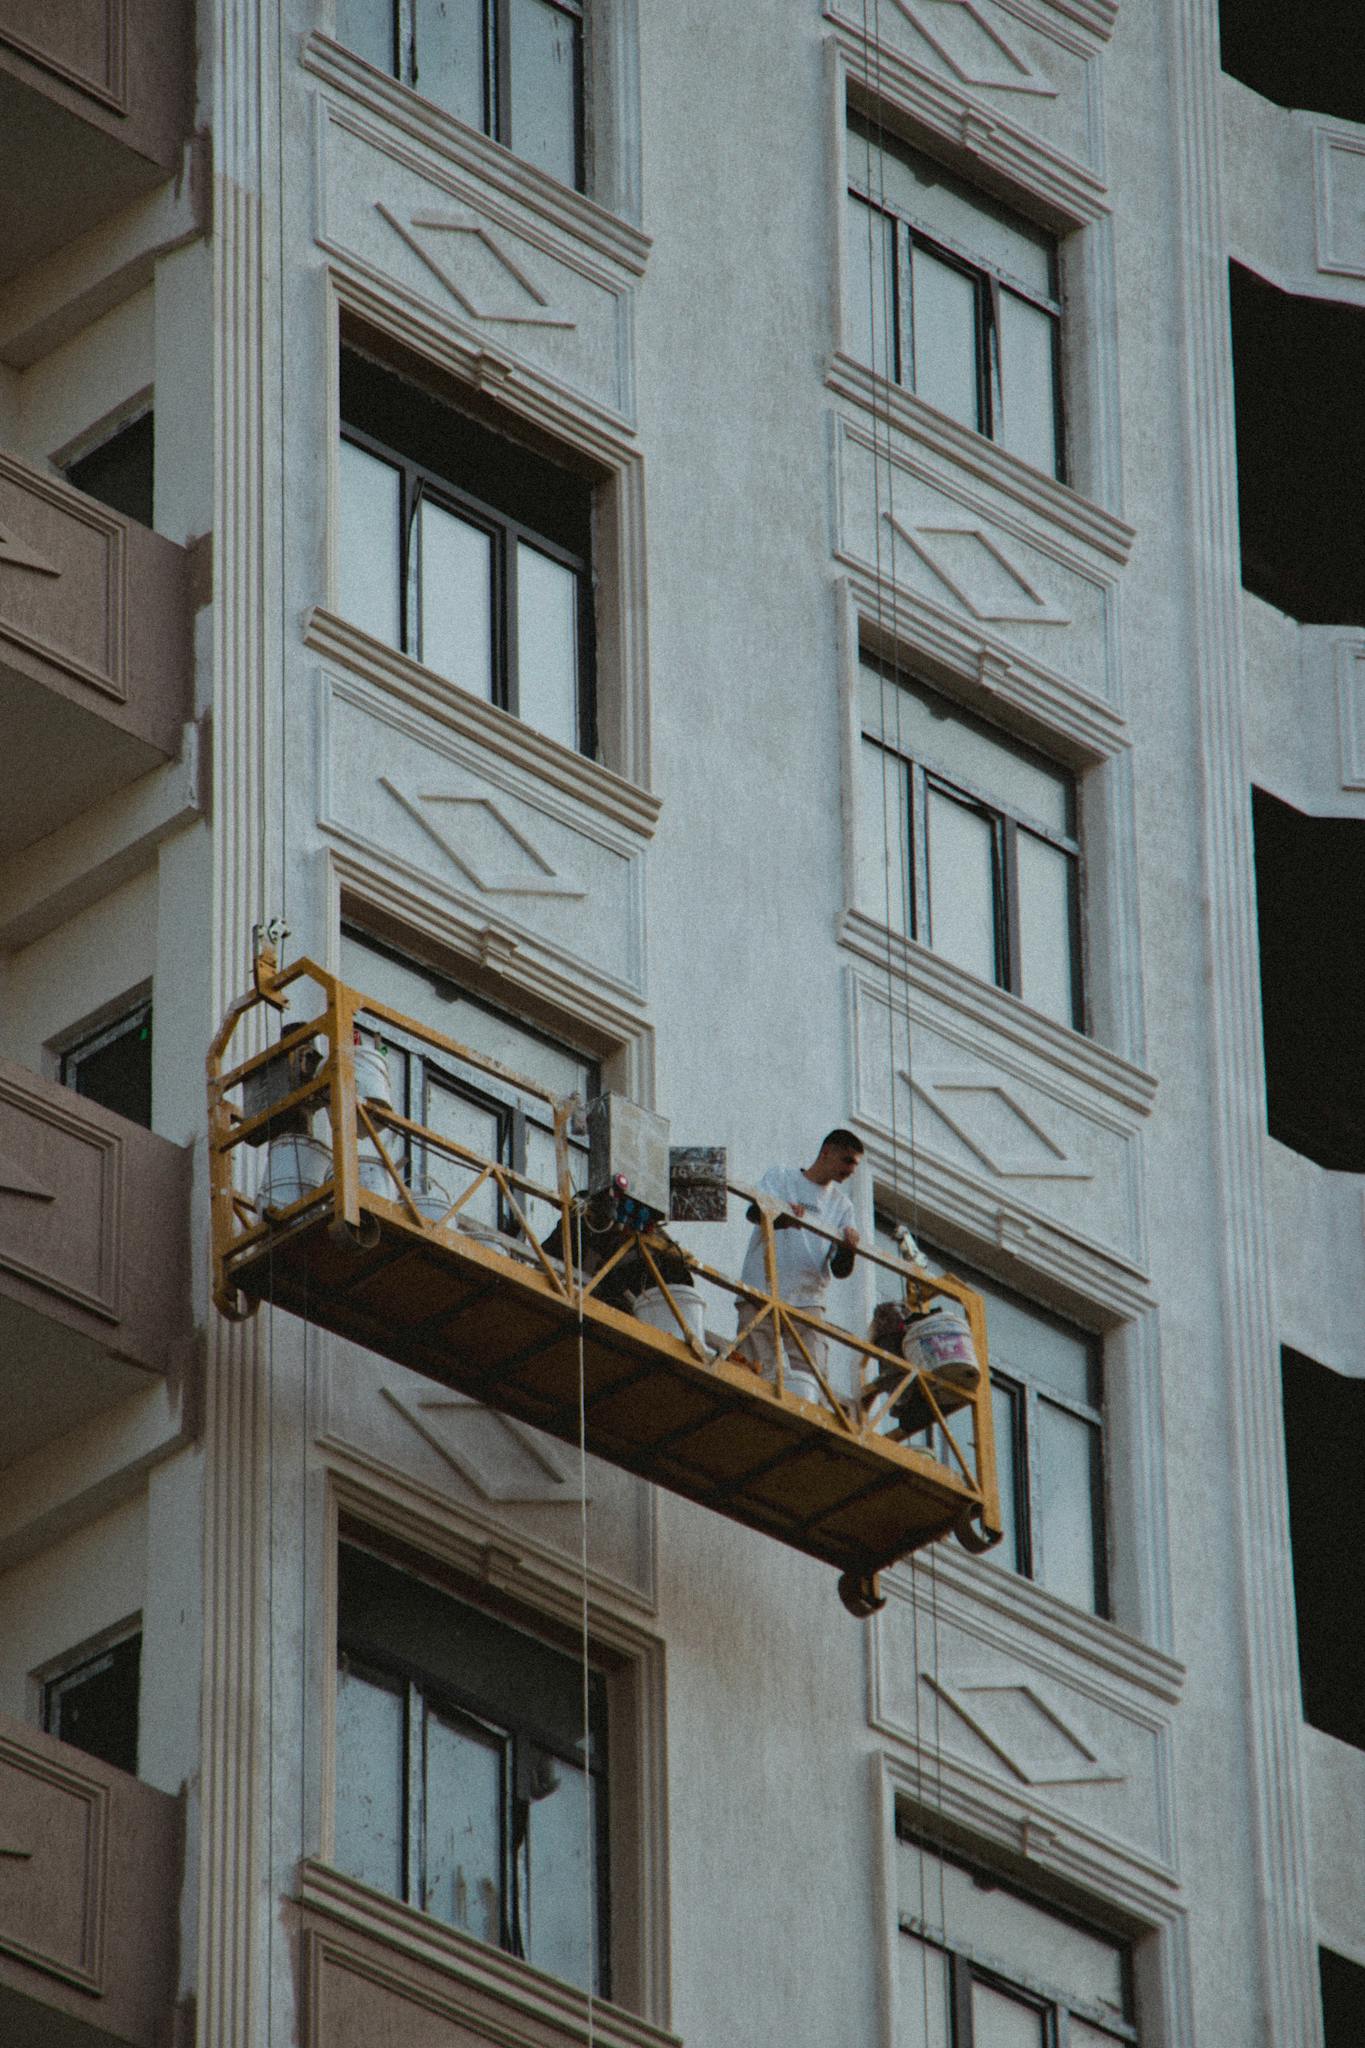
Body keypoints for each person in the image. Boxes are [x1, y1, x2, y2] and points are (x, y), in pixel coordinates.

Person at [736, 1129, 864, 1405]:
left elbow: (841, 1270)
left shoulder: (842, 1206)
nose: (850, 1170)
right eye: (847, 1161)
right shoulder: (782, 1178)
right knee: (755, 1374)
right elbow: (753, 1213)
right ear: (826, 1151)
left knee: (811, 1383)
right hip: (762, 1287)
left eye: (855, 1164)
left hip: (808, 1299)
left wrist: (848, 1250)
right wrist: (782, 1217)